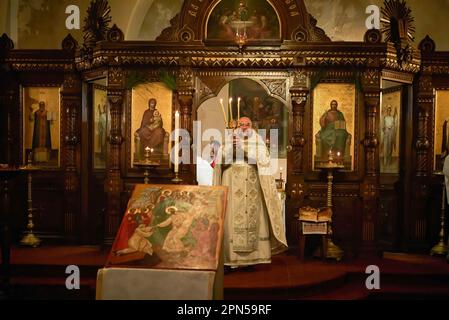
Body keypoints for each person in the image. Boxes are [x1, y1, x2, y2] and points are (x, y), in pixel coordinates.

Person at [212, 117, 287, 270]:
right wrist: (232, 150)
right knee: (230, 219)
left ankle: (251, 259)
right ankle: (228, 259)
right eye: (241, 124)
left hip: (252, 186)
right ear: (236, 127)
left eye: (247, 124)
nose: (244, 127)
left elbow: (263, 161)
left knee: (253, 219)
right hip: (231, 186)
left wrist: (243, 150)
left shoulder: (257, 140)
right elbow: (220, 164)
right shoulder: (228, 139)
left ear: (252, 126)